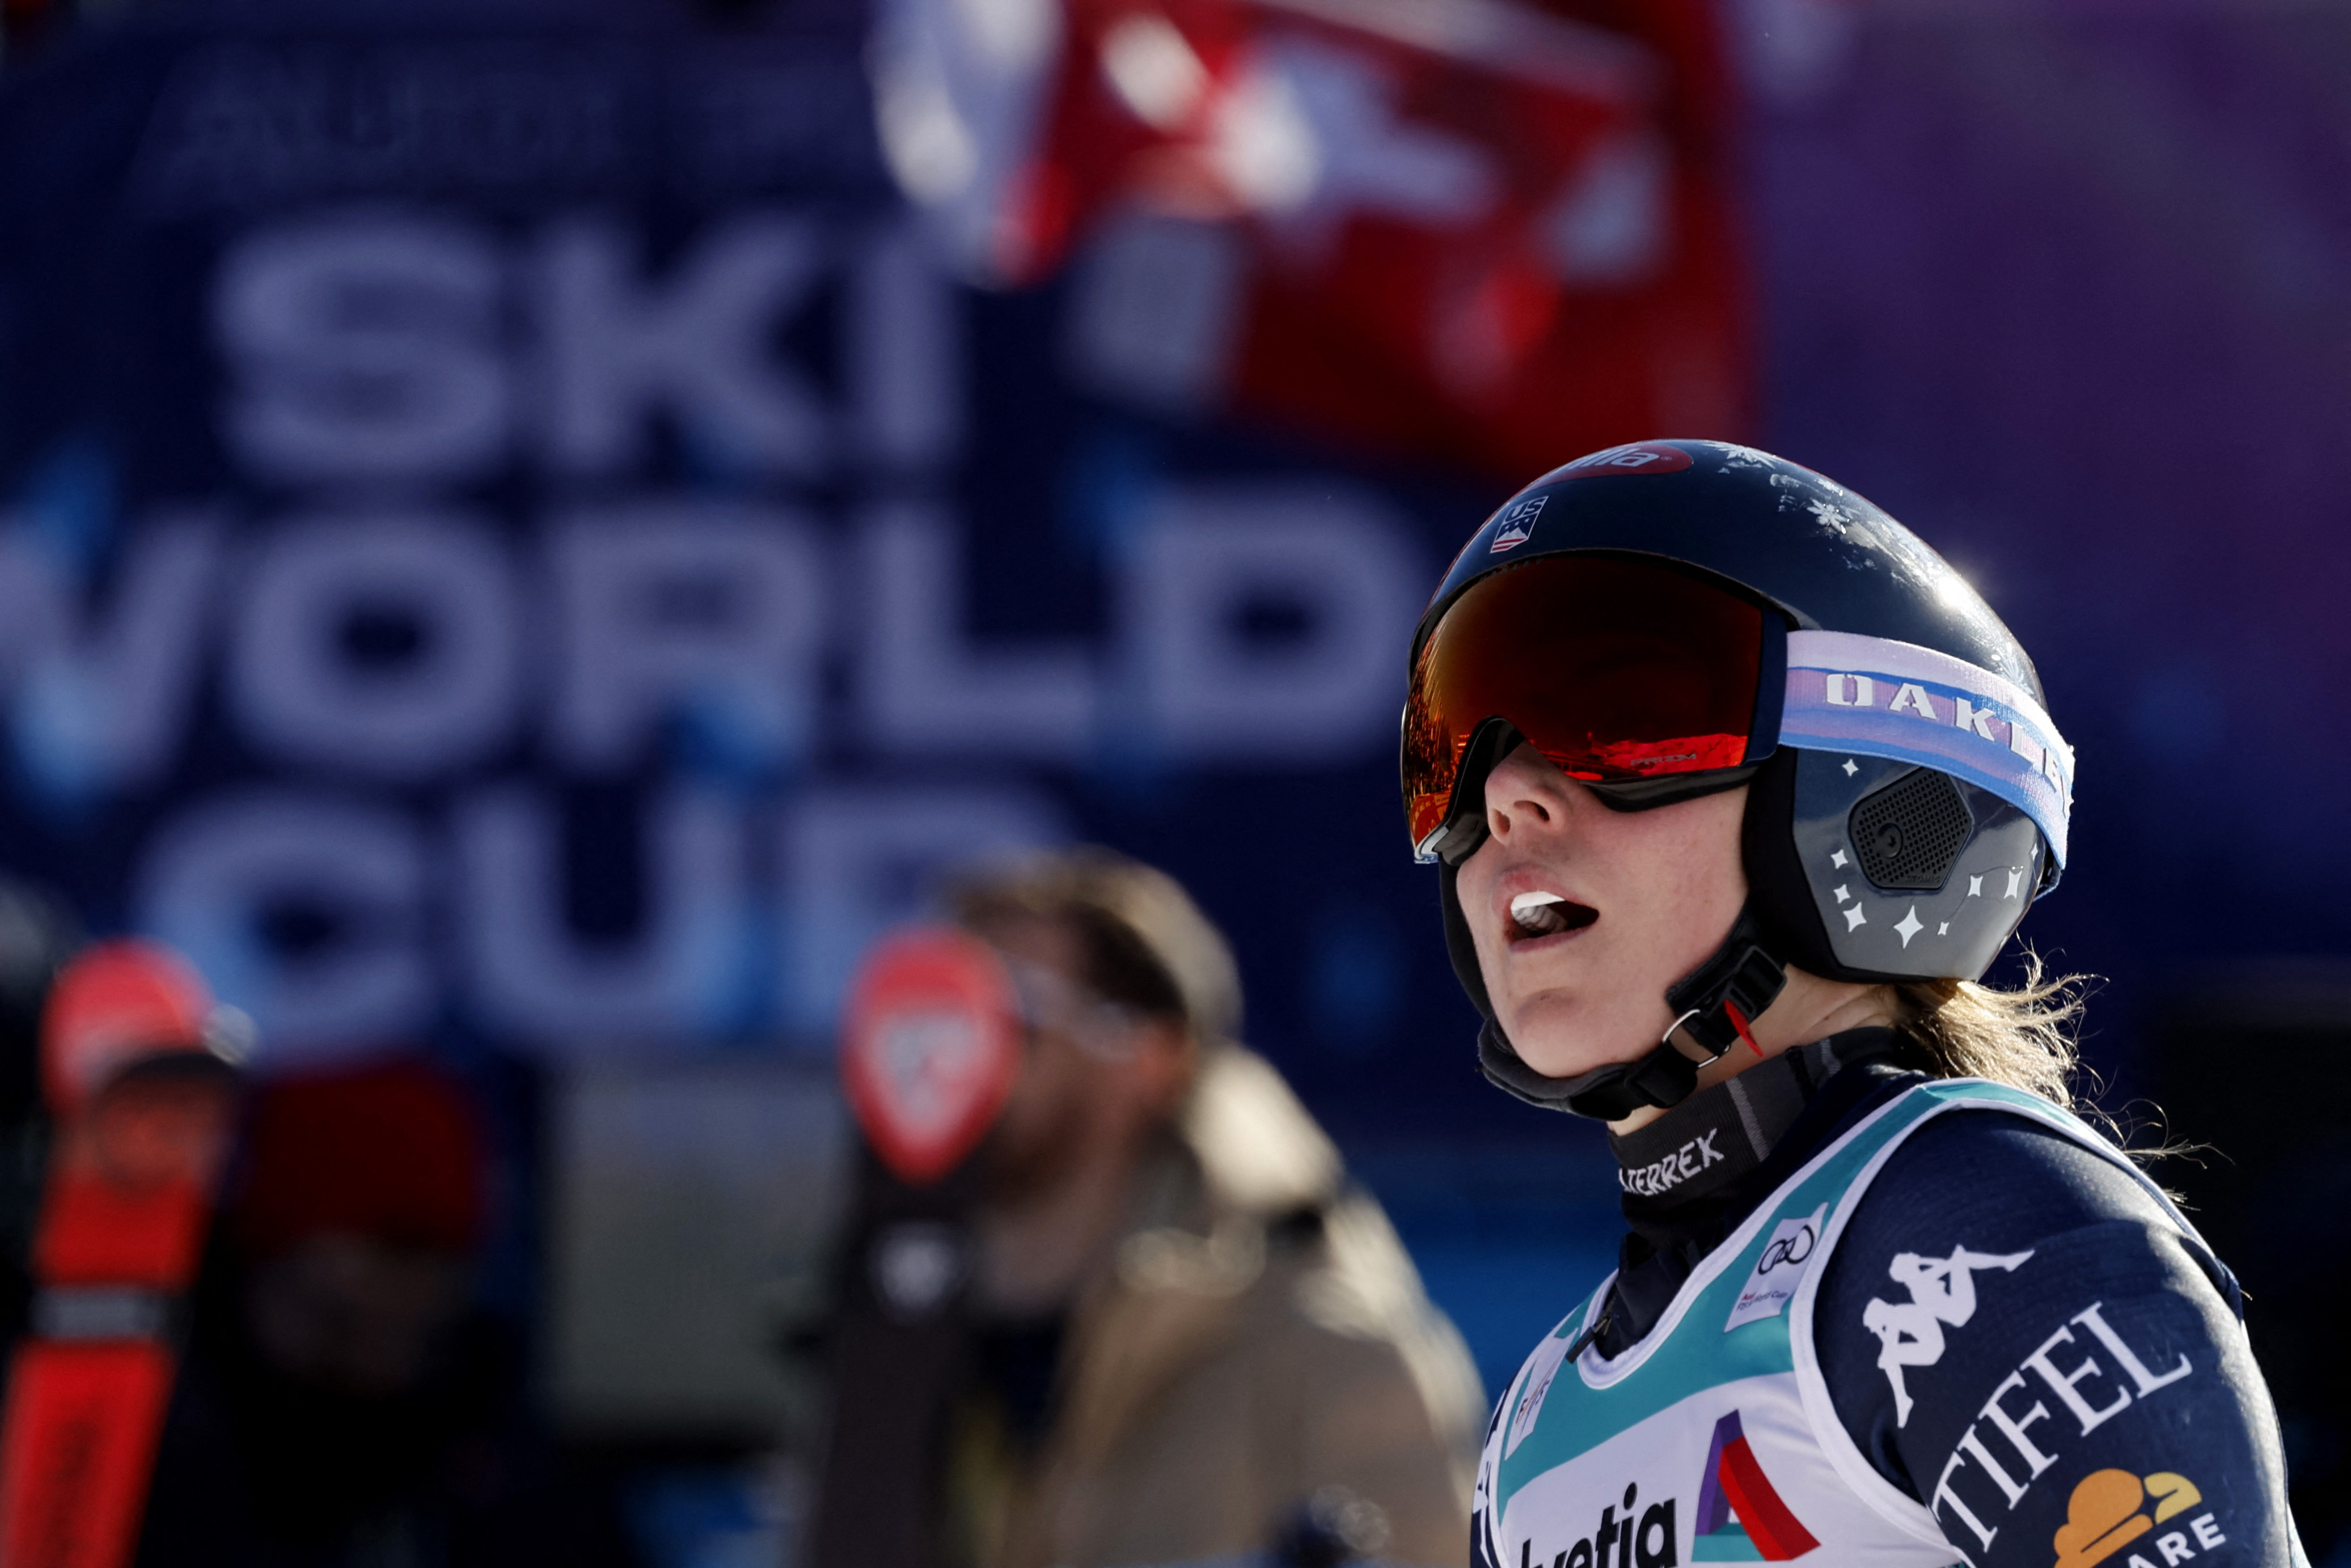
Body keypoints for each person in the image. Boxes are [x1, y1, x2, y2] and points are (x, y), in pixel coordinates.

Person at [1398, 440, 2306, 1567]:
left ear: (1864, 794)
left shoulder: (1983, 1236)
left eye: (1620, 719)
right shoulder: (1534, 1429)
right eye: (1454, 751)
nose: (1505, 794)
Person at [835, 848, 1486, 1568]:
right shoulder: (873, 1330)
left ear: (1150, 1059)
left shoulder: (1322, 1345)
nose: (953, 1061)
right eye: (938, 1015)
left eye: (1011, 1016)